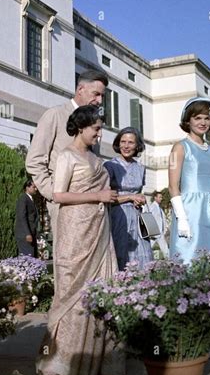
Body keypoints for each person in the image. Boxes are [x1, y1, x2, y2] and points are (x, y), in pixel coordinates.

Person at [36, 105, 125, 375]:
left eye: (100, 128)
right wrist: (97, 196)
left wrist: (108, 198)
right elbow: (59, 195)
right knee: (74, 293)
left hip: (99, 229)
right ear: (81, 127)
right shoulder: (66, 156)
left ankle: (99, 359)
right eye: (96, 129)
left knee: (103, 289)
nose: (100, 134)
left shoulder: (95, 157)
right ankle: (65, 360)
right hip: (75, 231)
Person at [26, 69, 108, 288]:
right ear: (80, 89)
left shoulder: (95, 124)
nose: (99, 100)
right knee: (68, 265)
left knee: (91, 265)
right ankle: (67, 318)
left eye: (102, 96)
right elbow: (34, 160)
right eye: (96, 94)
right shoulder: (54, 115)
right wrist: (52, 194)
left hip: (91, 208)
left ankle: (89, 316)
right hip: (63, 205)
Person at [168, 97, 210, 265]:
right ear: (188, 120)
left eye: (207, 118)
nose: (203, 122)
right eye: (198, 118)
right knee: (190, 259)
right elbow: (173, 186)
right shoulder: (180, 147)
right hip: (191, 211)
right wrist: (181, 217)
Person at [104, 127, 153, 270]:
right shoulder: (110, 166)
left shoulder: (141, 168)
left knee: (142, 254)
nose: (126, 146)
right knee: (122, 253)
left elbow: (140, 193)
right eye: (123, 141)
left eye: (130, 142)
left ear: (137, 145)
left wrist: (140, 198)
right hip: (118, 216)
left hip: (137, 217)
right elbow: (107, 198)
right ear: (118, 144)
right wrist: (130, 197)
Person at [14, 180, 39, 256]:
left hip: (31, 233)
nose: (36, 189)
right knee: (28, 258)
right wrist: (27, 234)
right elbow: (22, 217)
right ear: (27, 187)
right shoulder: (23, 199)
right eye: (34, 187)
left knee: (32, 257)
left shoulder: (30, 199)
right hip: (25, 235)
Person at [149, 191, 169, 258]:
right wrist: (151, 230)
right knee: (148, 247)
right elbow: (149, 217)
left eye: (161, 197)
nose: (161, 198)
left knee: (165, 248)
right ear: (155, 198)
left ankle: (170, 260)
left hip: (160, 232)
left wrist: (165, 228)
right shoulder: (152, 207)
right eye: (160, 197)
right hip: (154, 232)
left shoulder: (159, 208)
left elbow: (162, 219)